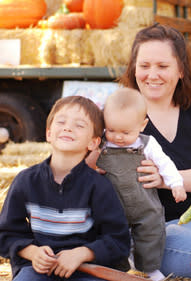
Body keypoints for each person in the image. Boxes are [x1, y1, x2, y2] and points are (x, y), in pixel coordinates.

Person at [116, 23, 191, 277]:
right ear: (134, 69)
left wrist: (165, 178)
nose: (152, 74)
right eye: (144, 66)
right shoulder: (120, 115)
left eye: (162, 66)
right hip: (152, 235)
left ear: (180, 70)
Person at [0, 96, 131, 280]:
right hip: (37, 270)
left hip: (86, 271)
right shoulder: (26, 181)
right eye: (61, 121)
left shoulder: (99, 187)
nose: (68, 127)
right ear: (48, 133)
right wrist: (32, 253)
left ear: (93, 143)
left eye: (79, 125)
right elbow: (6, 234)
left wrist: (81, 254)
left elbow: (118, 241)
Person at [96, 87, 186, 281]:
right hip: (112, 206)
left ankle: (150, 268)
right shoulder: (101, 144)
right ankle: (118, 268)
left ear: (142, 125)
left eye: (126, 132)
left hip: (144, 204)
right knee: (111, 234)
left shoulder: (147, 144)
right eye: (111, 130)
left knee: (151, 233)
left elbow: (165, 164)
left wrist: (176, 183)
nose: (118, 137)